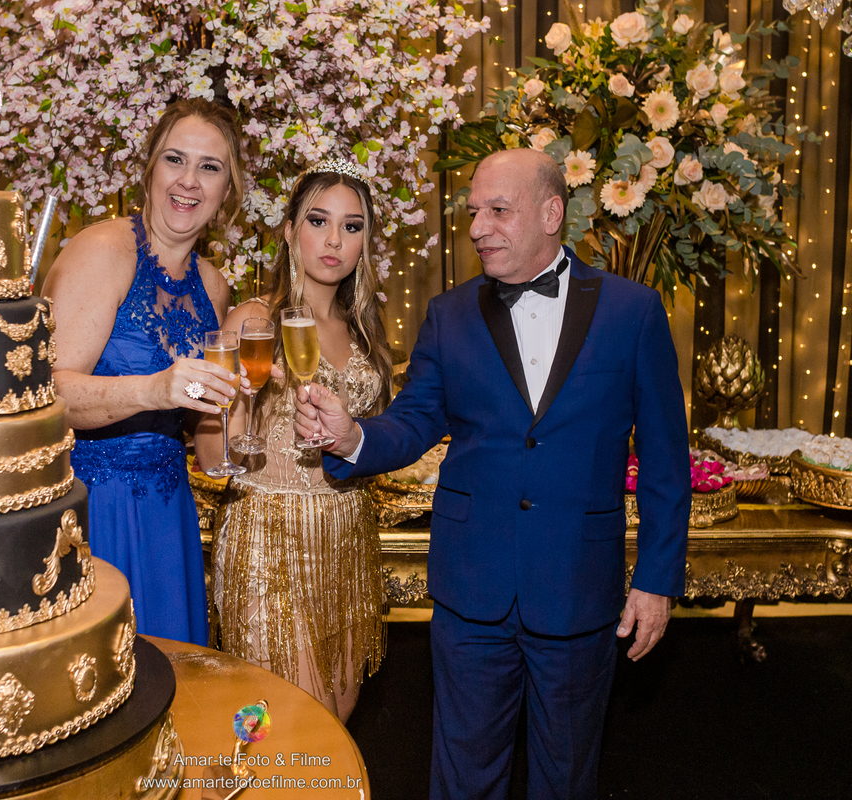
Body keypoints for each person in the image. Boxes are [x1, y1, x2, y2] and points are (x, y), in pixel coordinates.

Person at [294, 148, 690, 798]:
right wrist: (354, 435)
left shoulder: (633, 312)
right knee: (462, 781)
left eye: (497, 211)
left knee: (565, 780)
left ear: (551, 212)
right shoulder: (448, 316)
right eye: (474, 212)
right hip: (470, 591)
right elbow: (414, 421)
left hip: (577, 589)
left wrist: (655, 580)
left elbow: (667, 463)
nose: (478, 228)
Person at [41, 98, 245, 645]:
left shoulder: (213, 285)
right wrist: (153, 389)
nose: (189, 181)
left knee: (177, 683)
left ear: (228, 191)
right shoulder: (104, 251)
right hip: (90, 509)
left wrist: (238, 399)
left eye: (210, 167)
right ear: (150, 170)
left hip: (169, 509)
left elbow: (207, 441)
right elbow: (45, 394)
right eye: (175, 160)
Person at [195, 159, 392, 722]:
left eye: (352, 227)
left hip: (348, 535)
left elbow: (371, 444)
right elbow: (212, 458)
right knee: (298, 724)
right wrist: (246, 399)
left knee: (335, 726)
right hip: (268, 540)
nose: (334, 240)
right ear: (288, 231)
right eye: (318, 221)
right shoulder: (254, 321)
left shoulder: (365, 331)